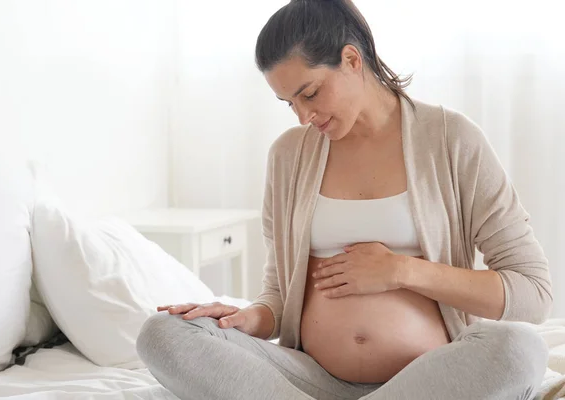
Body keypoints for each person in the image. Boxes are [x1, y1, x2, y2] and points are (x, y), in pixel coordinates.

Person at [136, 0, 552, 399]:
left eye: (310, 93)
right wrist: (249, 318)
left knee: (519, 349)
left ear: (352, 60)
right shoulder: (288, 156)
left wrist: (402, 271)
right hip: (307, 381)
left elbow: (532, 292)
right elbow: (279, 294)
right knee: (162, 333)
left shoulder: (452, 140)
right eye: (289, 103)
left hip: (430, 379)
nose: (303, 116)